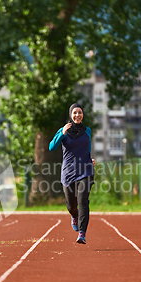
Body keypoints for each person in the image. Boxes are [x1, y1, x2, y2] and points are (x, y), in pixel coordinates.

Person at [49, 103, 95, 244]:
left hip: (85, 171)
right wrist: (62, 134)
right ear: (71, 114)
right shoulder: (63, 130)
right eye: (74, 113)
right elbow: (52, 147)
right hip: (68, 173)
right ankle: (74, 216)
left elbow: (87, 147)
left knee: (83, 201)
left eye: (80, 112)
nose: (77, 115)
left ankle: (82, 233)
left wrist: (90, 158)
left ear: (83, 115)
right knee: (71, 205)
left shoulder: (87, 131)